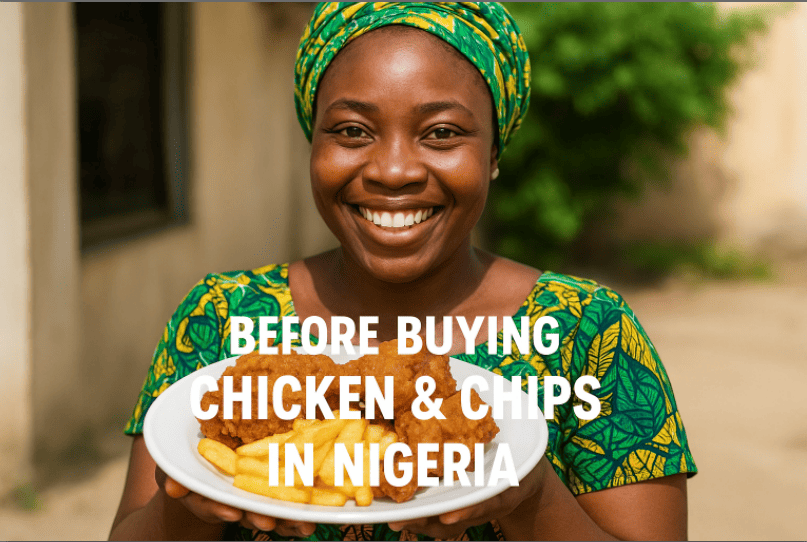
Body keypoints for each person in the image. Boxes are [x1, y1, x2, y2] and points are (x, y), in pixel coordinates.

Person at [109, 3, 696, 540]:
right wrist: (186, 499)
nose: (393, 170)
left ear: (493, 155)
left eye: (442, 133)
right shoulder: (219, 318)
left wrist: (531, 497)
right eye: (351, 131)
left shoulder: (588, 334)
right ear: (312, 145)